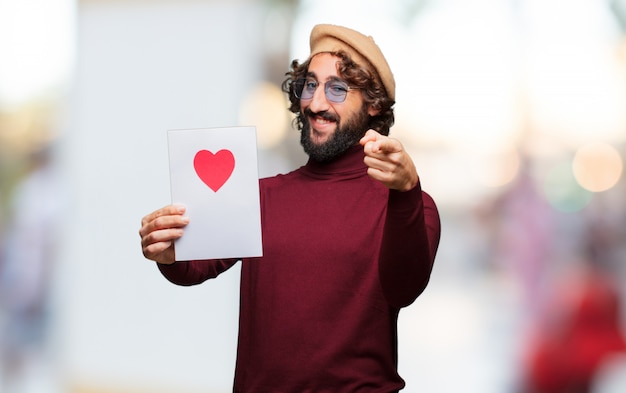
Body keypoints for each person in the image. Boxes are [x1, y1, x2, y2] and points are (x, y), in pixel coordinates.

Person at [139, 24, 441, 392]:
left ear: (373, 103)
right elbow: (193, 268)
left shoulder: (410, 204)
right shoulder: (261, 196)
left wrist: (406, 191)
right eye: (310, 85)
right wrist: (168, 251)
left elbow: (403, 289)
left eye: (337, 88)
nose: (315, 103)